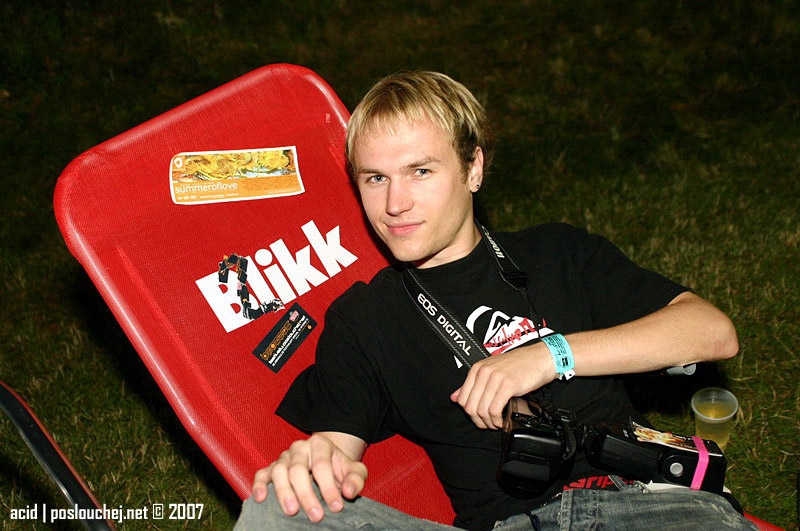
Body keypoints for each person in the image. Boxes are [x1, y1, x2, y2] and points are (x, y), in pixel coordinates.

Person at [235, 72, 754, 530]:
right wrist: (313, 463)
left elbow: (710, 332)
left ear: (473, 169)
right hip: (506, 524)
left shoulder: (556, 253)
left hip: (644, 507)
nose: (394, 204)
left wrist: (549, 355)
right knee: (275, 511)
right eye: (376, 178)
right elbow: (336, 448)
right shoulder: (365, 319)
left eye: (420, 171)